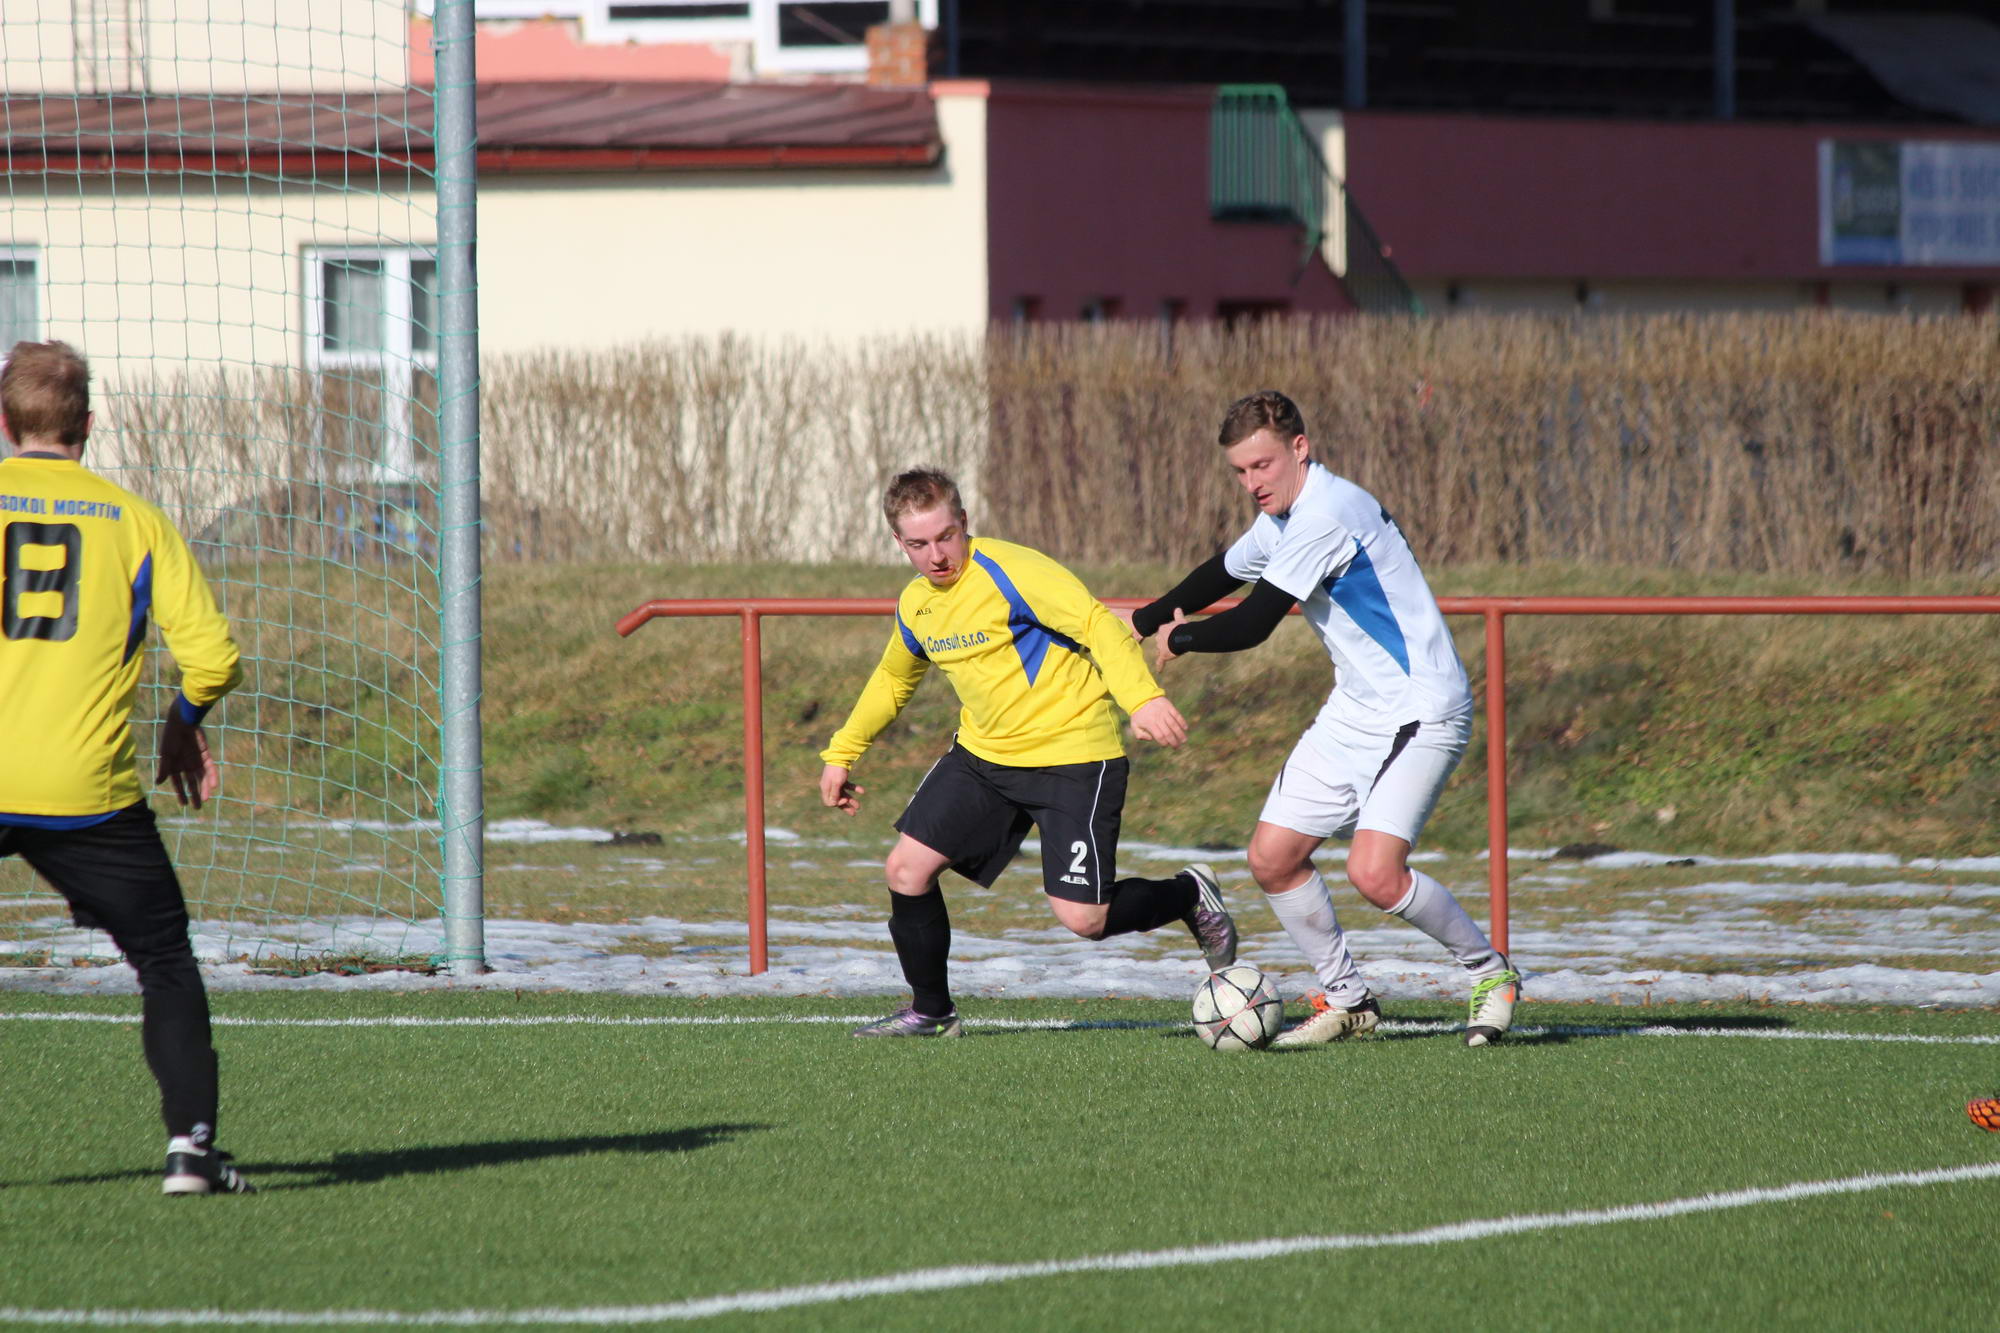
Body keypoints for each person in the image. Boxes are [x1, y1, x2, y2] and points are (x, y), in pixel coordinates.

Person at [1127, 390, 1520, 1048]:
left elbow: (1252, 623)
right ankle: (1349, 1001)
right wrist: (1137, 624)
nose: (1252, 483)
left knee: (1376, 874)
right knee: (1273, 858)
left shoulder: (1327, 515)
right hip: (1358, 709)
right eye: (1240, 471)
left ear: (1300, 448)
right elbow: (1221, 573)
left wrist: (1181, 638)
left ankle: (1490, 973)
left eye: (1262, 465)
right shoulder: (1284, 516)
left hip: (1422, 707)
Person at [819, 468, 1236, 1036]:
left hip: (1072, 755)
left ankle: (1189, 895)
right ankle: (932, 1013)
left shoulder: (1012, 571)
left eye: (946, 536)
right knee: (906, 870)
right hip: (984, 759)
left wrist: (1141, 698)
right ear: (898, 542)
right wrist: (842, 753)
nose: (936, 555)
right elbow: (894, 678)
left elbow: (1097, 624)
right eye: (918, 544)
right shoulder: (916, 603)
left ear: (964, 522)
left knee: (1084, 919)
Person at [0, 341, 251, 1191]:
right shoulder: (135, 520)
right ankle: (192, 1148)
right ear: (90, 425)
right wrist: (182, 724)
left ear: (4, 422)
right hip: (86, 792)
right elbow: (213, 658)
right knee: (164, 957)